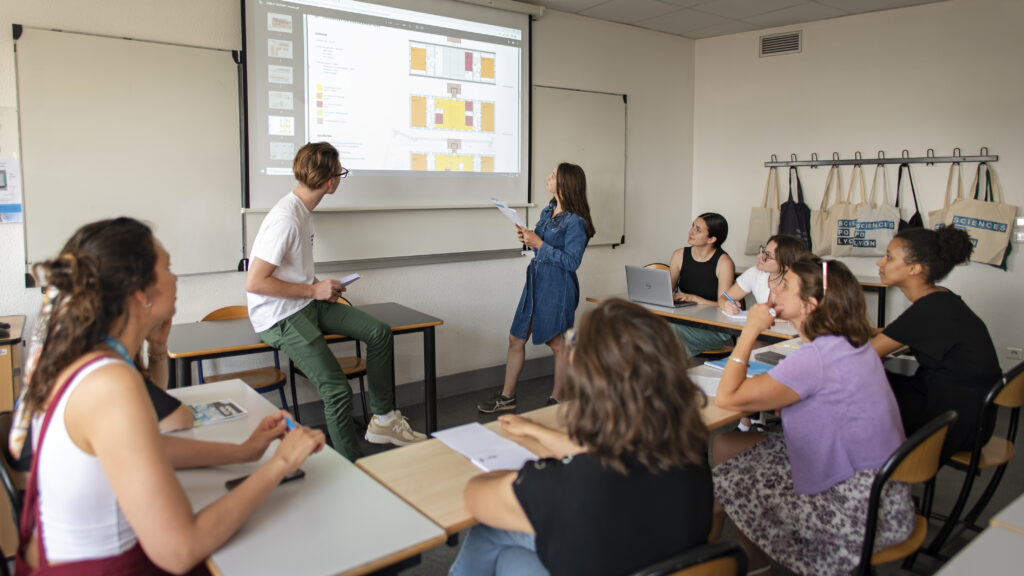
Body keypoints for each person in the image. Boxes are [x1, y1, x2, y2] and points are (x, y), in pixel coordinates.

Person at [19, 217, 326, 574]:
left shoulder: (85, 359)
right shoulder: (111, 384)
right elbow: (180, 549)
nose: (176, 278)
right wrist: (281, 463)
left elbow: (146, 447)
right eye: (167, 267)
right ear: (140, 292)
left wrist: (245, 452)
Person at [452, 299, 713, 576]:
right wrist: (538, 431)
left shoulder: (572, 485)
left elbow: (475, 496)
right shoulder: (692, 453)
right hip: (648, 560)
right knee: (510, 559)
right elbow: (609, 452)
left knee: (489, 531)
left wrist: (518, 475)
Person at [712, 257, 914, 575]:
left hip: (853, 511)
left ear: (810, 305)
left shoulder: (815, 360)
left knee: (730, 480)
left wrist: (750, 330)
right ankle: (754, 562)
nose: (775, 287)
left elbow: (726, 398)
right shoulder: (851, 344)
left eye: (786, 284)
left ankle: (732, 555)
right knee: (726, 445)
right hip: (884, 494)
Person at [246, 142, 426, 460]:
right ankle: (352, 469)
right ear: (331, 181)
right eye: (341, 172)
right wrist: (312, 291)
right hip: (279, 316)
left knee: (379, 332)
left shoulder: (302, 211)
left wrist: (319, 285)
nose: (340, 178)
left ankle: (383, 421)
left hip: (304, 302)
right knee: (338, 390)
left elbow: (291, 271)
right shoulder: (286, 218)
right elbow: (256, 282)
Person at [871, 226, 1001, 461]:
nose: (880, 263)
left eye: (889, 257)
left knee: (861, 387)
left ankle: (864, 472)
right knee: (880, 381)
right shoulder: (941, 298)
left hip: (953, 422)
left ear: (914, 268)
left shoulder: (927, 311)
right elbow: (899, 334)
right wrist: (863, 330)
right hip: (973, 415)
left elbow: (863, 356)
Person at [477, 163, 596, 413]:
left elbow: (572, 262)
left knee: (558, 343)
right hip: (536, 280)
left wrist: (540, 243)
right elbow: (540, 247)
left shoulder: (576, 222)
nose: (548, 177)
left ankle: (557, 398)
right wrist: (528, 240)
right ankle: (507, 397)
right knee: (515, 337)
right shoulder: (548, 210)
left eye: (553, 175)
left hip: (558, 286)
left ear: (565, 183)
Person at [719, 234, 807, 431]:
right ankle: (749, 419)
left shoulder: (798, 283)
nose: (760, 257)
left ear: (785, 266)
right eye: (762, 251)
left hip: (790, 340)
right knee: (754, 345)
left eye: (767, 255)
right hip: (767, 338)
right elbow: (725, 297)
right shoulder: (756, 274)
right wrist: (728, 303)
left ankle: (752, 416)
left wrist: (754, 326)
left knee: (753, 345)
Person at [669, 212, 735, 356]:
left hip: (713, 328)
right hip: (684, 320)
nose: (690, 232)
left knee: (669, 329)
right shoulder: (679, 255)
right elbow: (666, 292)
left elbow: (724, 304)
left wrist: (695, 299)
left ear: (712, 239)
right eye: (693, 226)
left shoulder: (724, 263)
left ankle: (667, 373)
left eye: (698, 230)